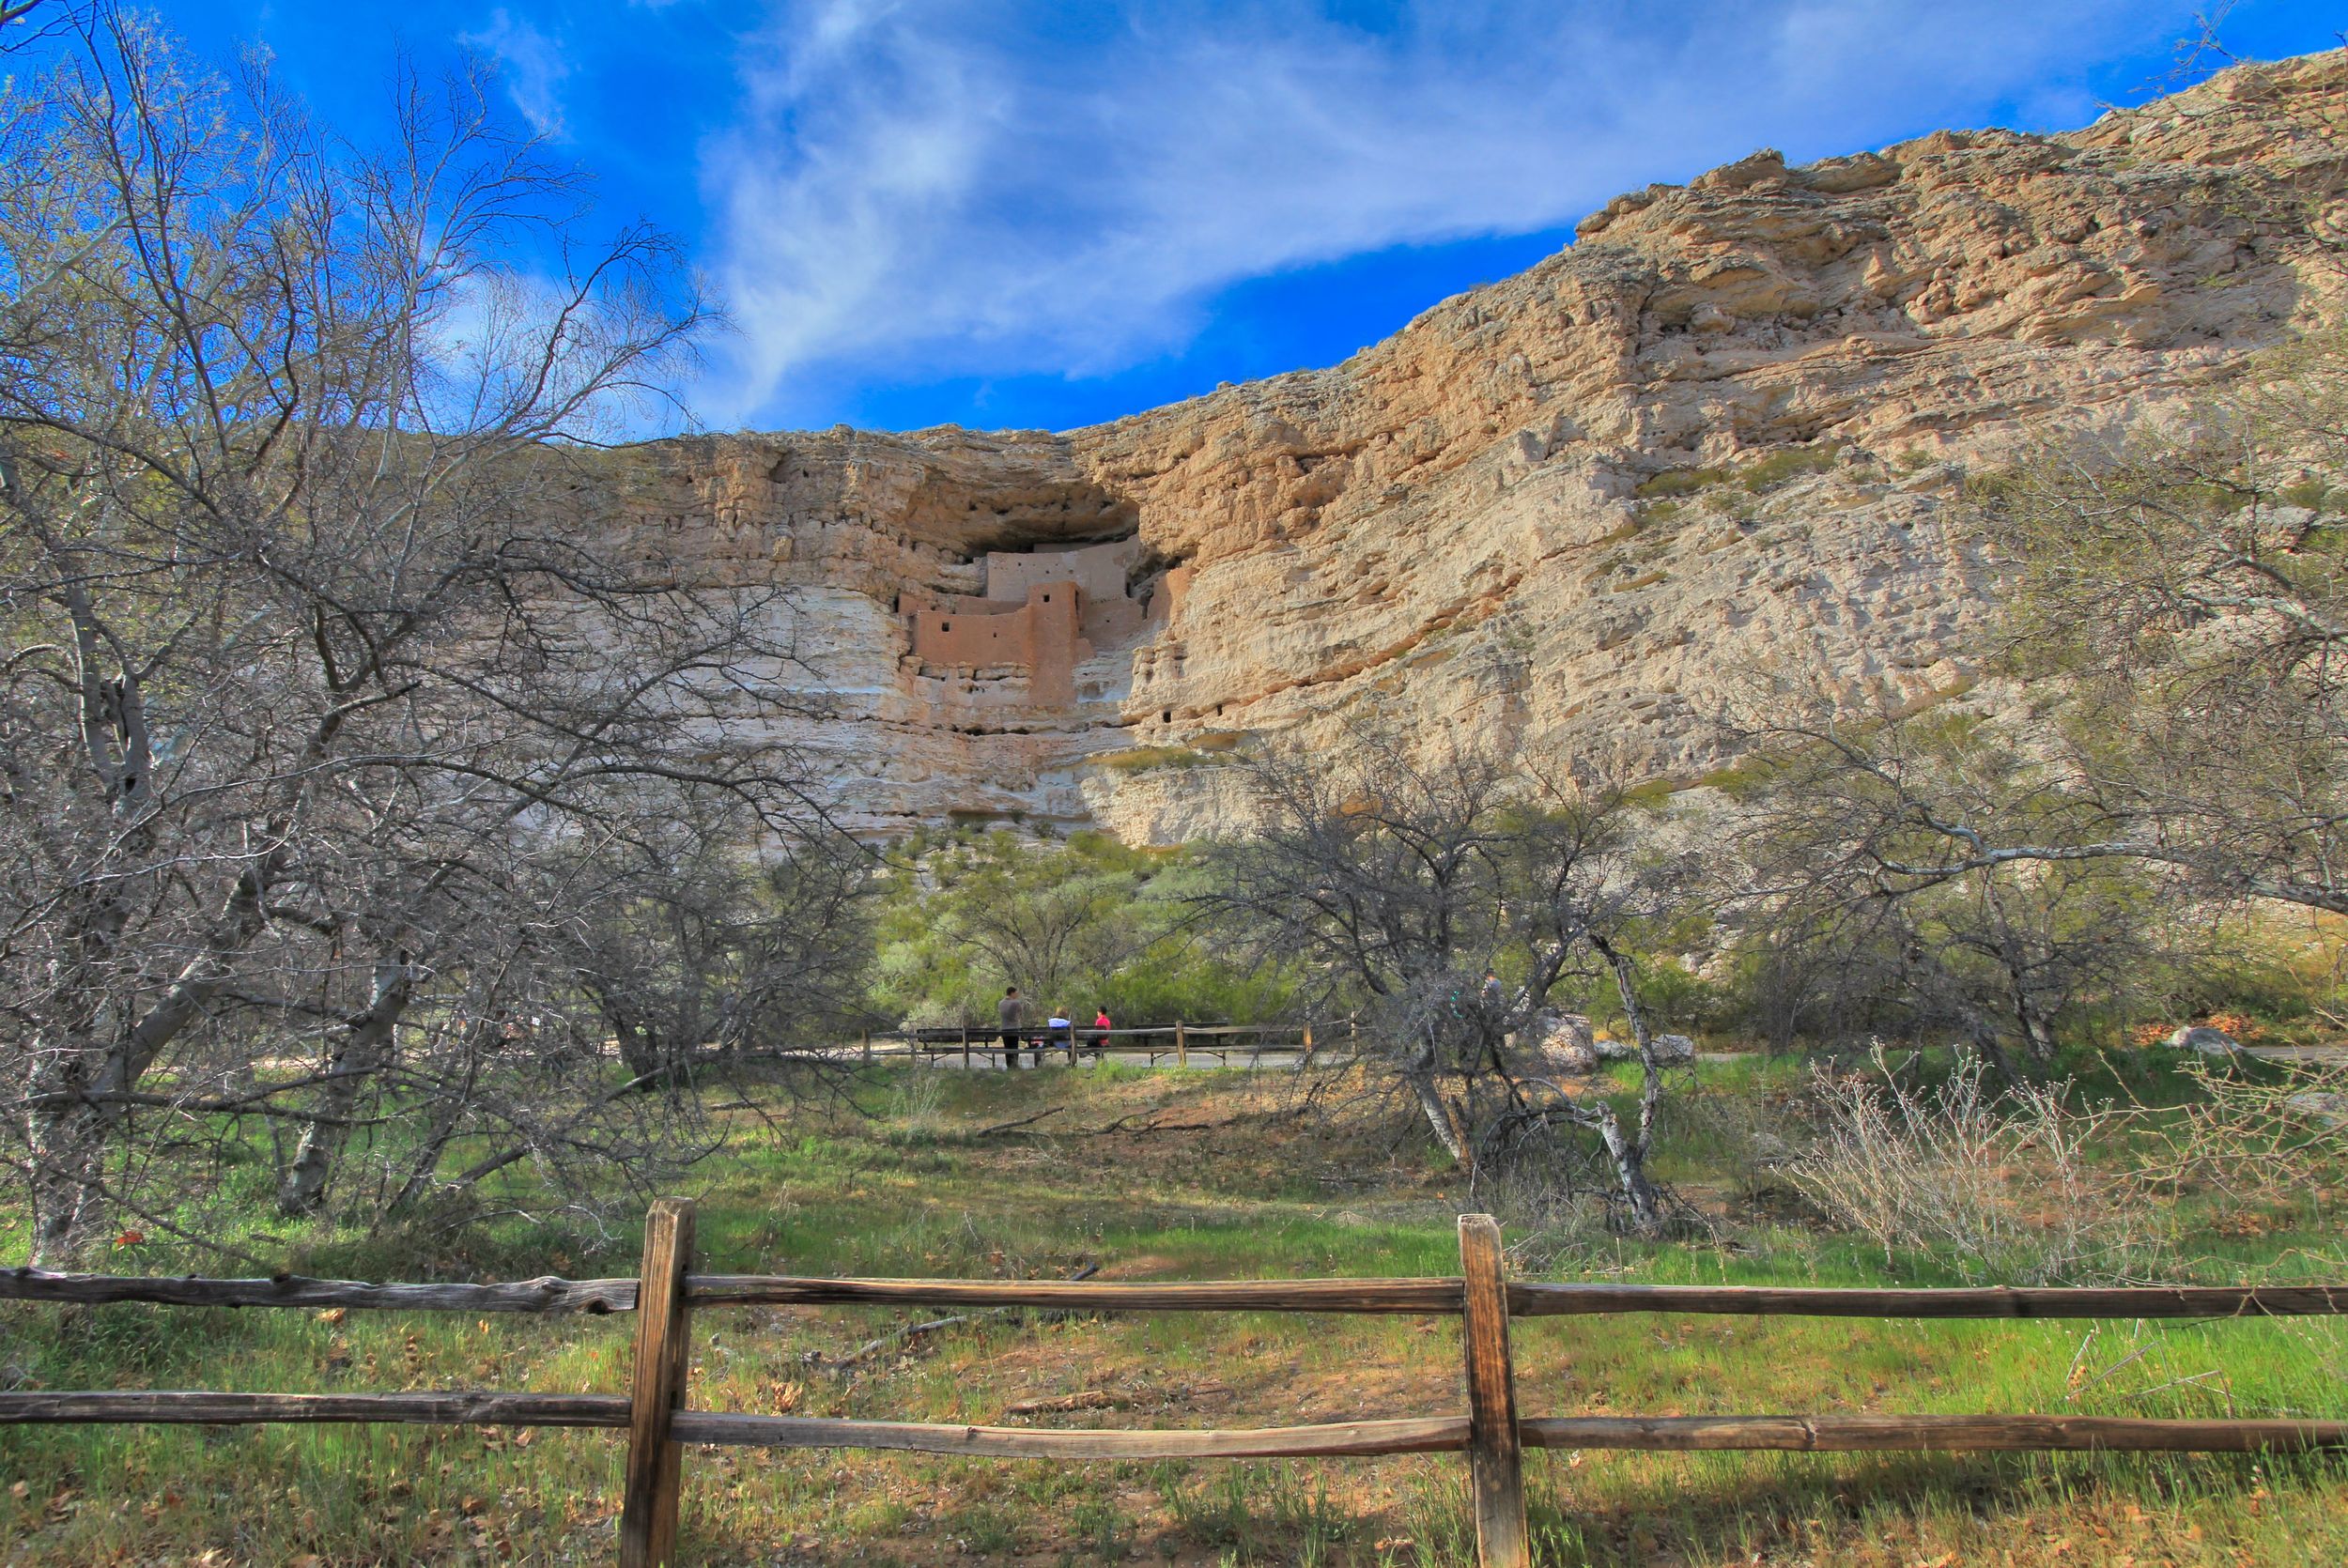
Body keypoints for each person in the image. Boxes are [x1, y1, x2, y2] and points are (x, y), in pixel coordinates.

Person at [997, 985, 1027, 1068]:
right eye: (1016, 993)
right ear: (1012, 993)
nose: (1017, 995)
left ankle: (1009, 1065)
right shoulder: (1016, 1002)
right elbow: (1020, 1012)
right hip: (1013, 1028)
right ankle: (1014, 1065)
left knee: (1007, 1048)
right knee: (1014, 1047)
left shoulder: (1001, 1003)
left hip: (1004, 1028)